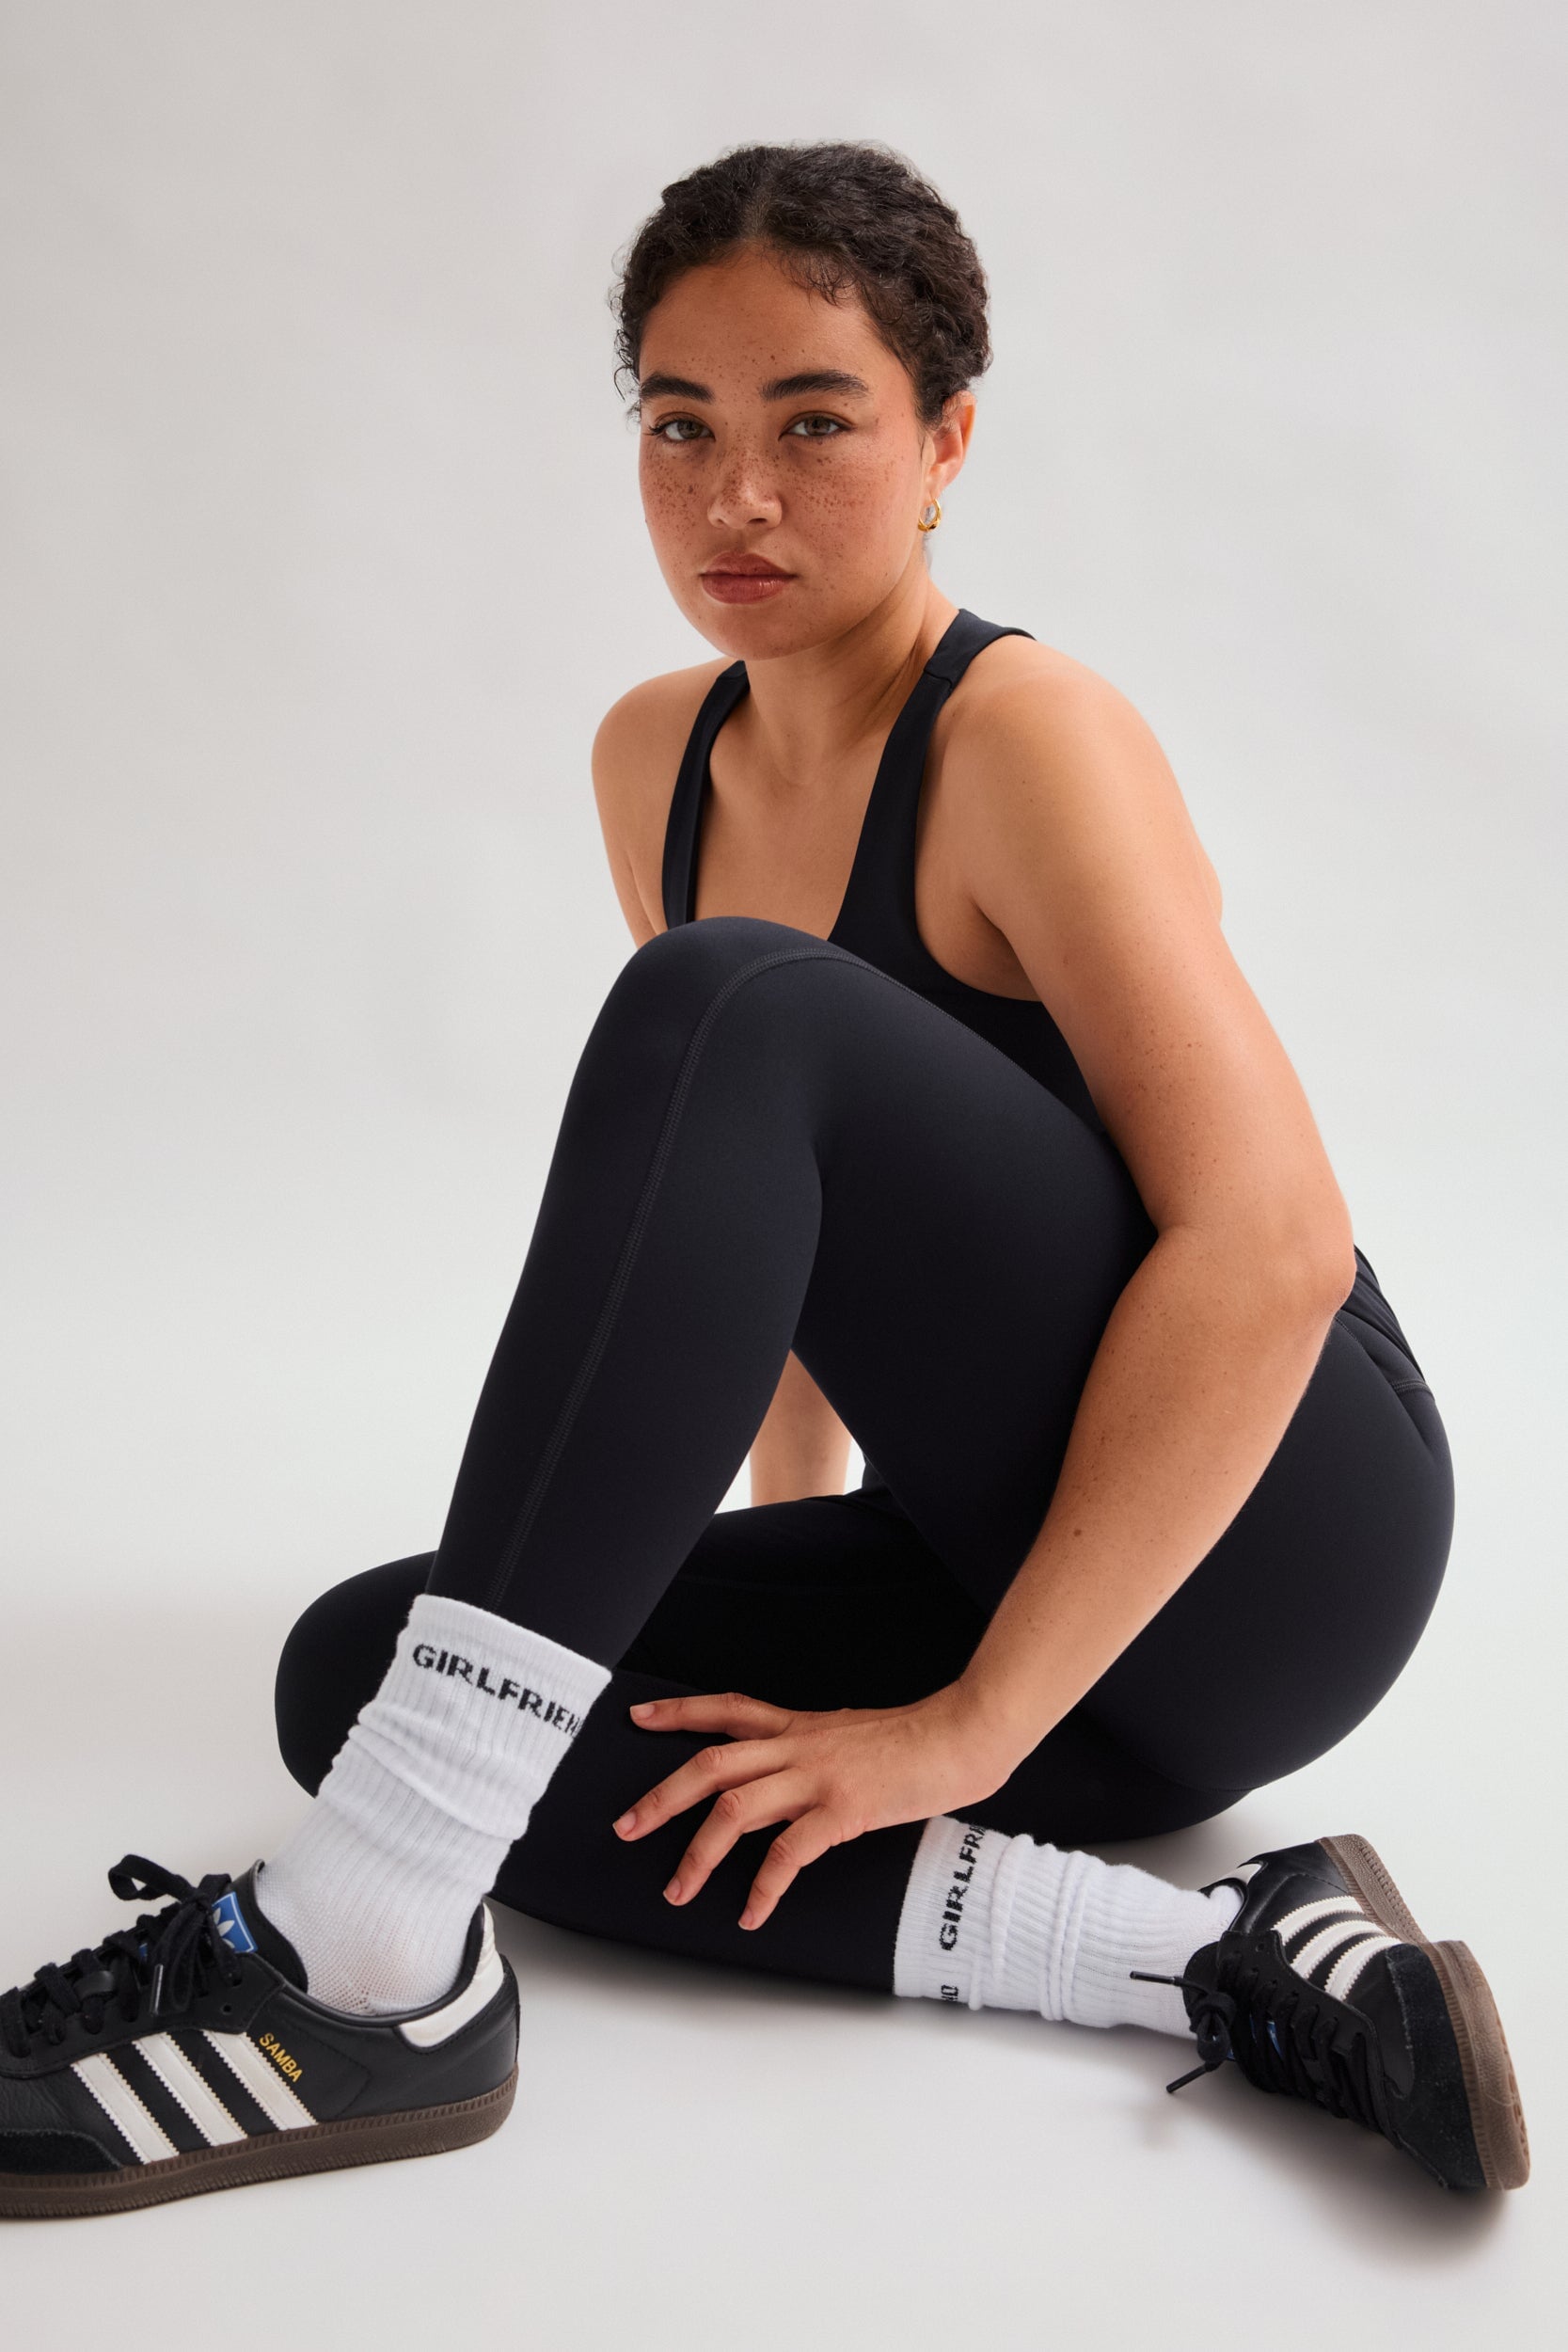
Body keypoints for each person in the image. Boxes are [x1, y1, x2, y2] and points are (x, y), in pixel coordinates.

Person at [0, 139, 1529, 2220]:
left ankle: (359, 1962)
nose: (736, 498)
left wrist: (965, 1726)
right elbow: (766, 1235)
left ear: (946, 440)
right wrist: (773, 1581)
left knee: (733, 998)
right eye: (680, 428)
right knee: (374, 1674)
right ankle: (1216, 1958)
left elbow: (1269, 1249)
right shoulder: (659, 758)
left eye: (815, 425)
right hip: (1005, 1550)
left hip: (1277, 1535)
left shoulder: (1025, 736)